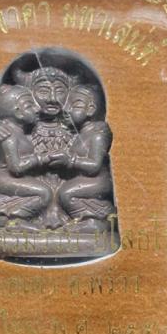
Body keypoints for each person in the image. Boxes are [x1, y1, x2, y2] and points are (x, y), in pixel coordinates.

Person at [46, 84, 116, 231]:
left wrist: (70, 161)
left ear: (90, 109)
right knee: (59, 191)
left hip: (97, 181)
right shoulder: (80, 134)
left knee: (67, 194)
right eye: (67, 104)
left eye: (75, 105)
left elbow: (95, 165)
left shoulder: (97, 135)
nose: (67, 109)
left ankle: (95, 220)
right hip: (82, 179)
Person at [0, 84, 51, 231]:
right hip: (5, 177)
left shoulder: (18, 131)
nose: (37, 108)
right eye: (29, 105)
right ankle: (14, 220)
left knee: (46, 189)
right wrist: (41, 158)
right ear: (18, 113)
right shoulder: (9, 135)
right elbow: (16, 167)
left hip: (16, 176)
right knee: (44, 193)